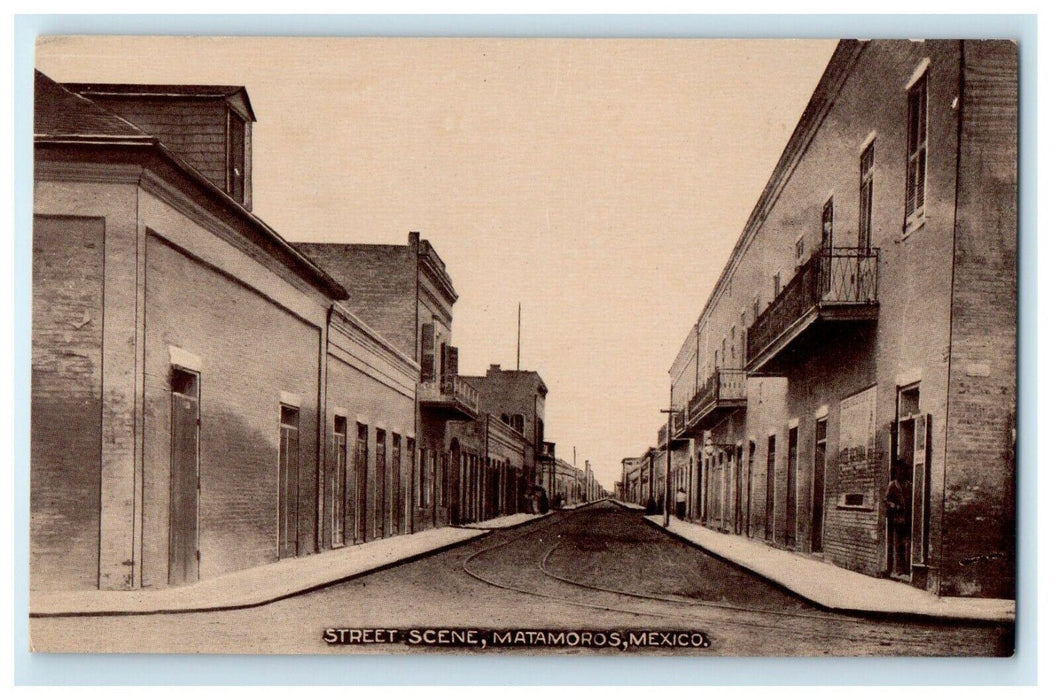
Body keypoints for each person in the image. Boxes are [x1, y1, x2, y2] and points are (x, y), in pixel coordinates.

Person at [885, 460, 913, 577]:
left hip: (908, 519)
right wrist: (893, 505)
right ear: (896, 472)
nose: (901, 473)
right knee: (898, 544)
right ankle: (898, 569)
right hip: (897, 519)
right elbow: (886, 499)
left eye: (903, 470)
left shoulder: (909, 485)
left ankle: (907, 568)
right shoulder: (892, 485)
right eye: (899, 471)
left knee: (907, 543)